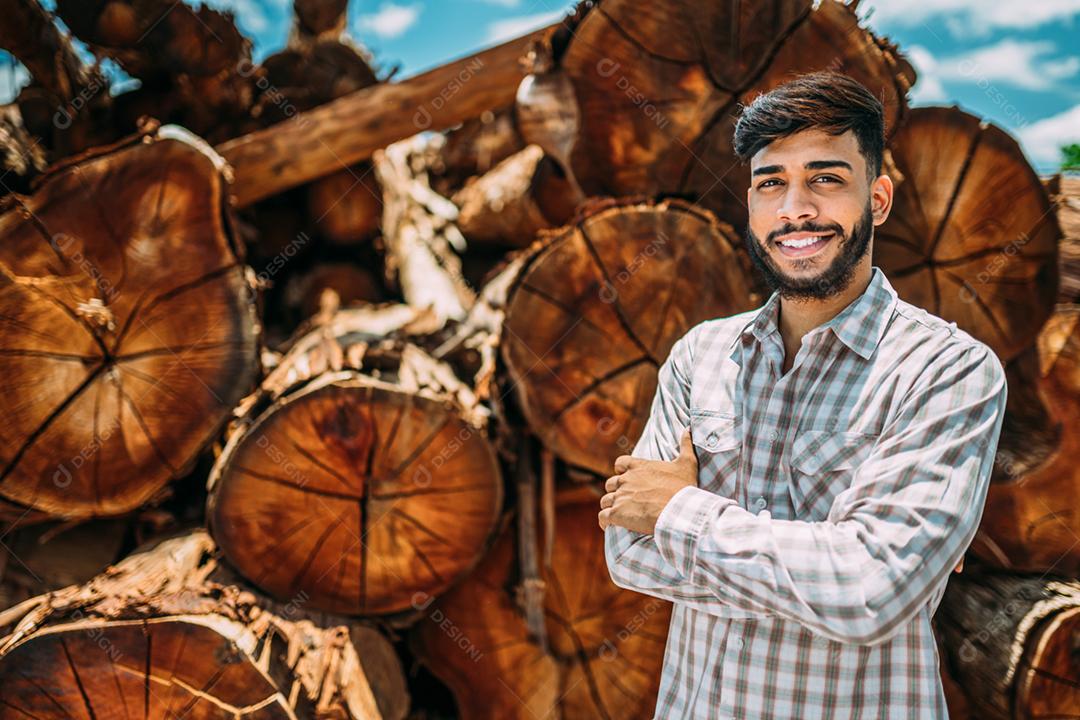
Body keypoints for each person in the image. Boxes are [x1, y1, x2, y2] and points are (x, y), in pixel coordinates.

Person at [598, 70, 1008, 719]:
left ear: (877, 198)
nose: (796, 210)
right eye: (772, 184)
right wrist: (823, 560)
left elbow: (871, 592)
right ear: (752, 203)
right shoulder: (700, 356)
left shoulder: (947, 370)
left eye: (825, 178)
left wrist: (680, 513)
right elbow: (627, 551)